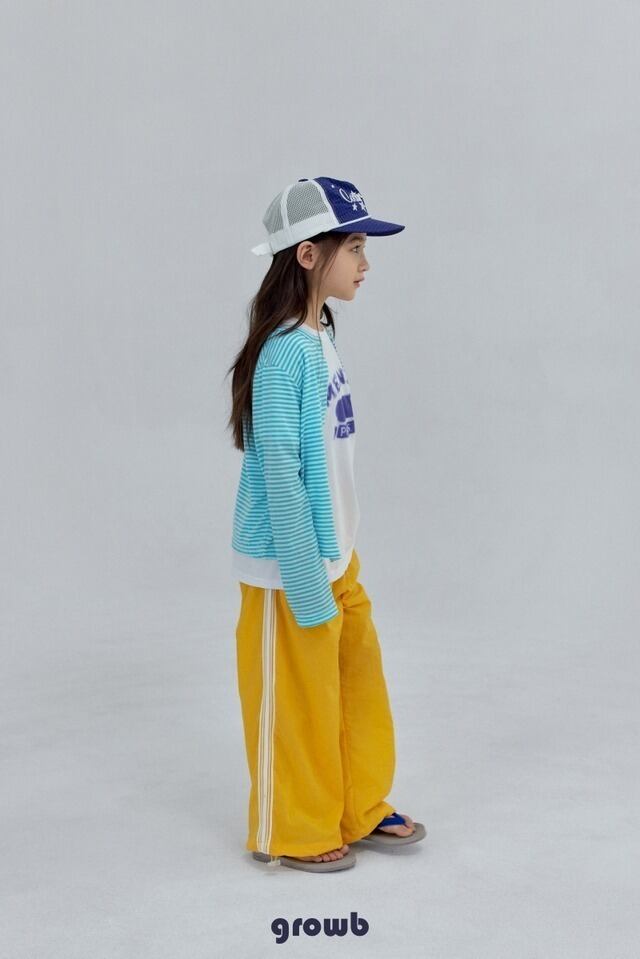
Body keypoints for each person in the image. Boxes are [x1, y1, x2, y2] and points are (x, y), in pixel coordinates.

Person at [225, 176, 427, 873]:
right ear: (308, 255)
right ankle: (296, 827)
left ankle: (356, 803)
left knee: (356, 682)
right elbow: (280, 474)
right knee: (298, 701)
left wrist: (336, 552)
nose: (366, 264)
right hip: (290, 567)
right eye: (356, 248)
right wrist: (307, 577)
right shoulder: (283, 354)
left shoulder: (320, 336)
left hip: (334, 552)